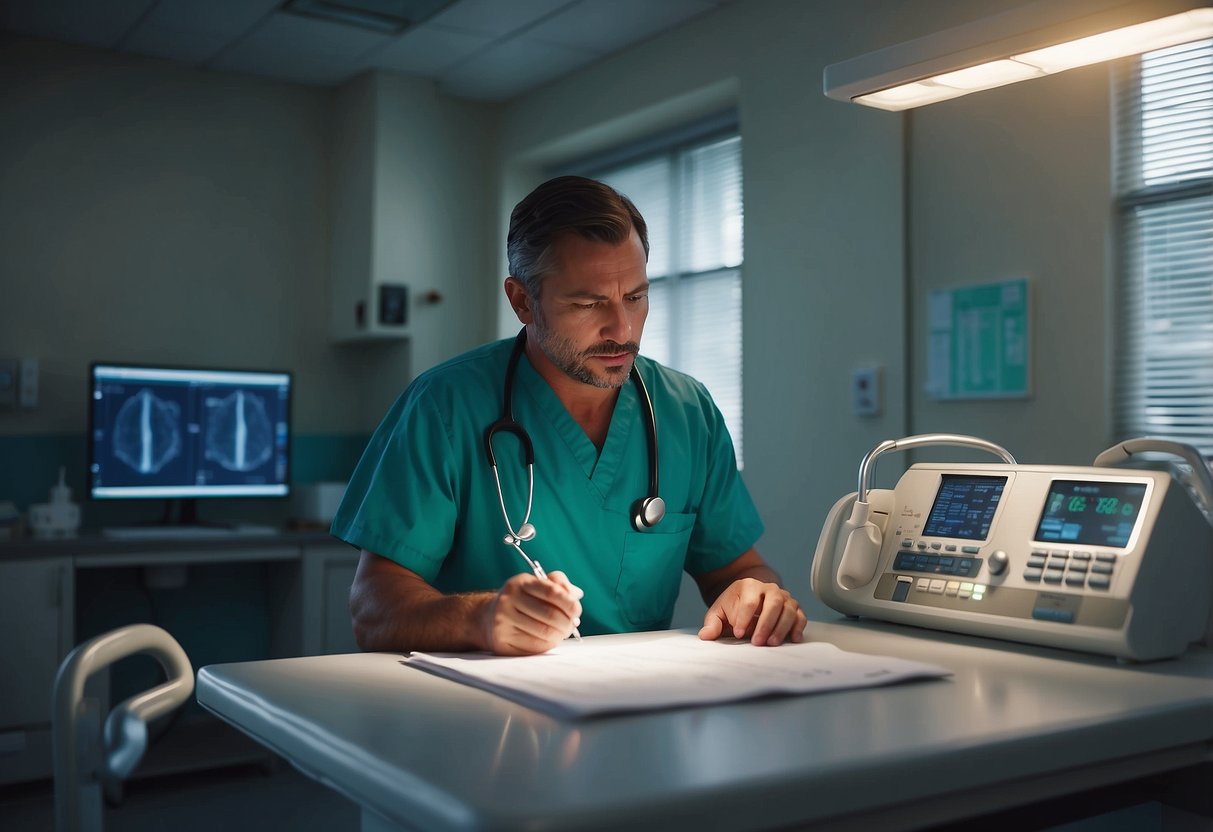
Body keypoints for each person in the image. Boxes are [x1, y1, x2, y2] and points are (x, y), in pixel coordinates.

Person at [331, 175, 806, 656]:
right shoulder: (444, 407)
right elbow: (374, 607)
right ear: (522, 301)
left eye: (636, 297)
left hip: (641, 705)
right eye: (587, 303)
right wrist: (480, 618)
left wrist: (756, 594)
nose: (621, 329)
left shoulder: (688, 412)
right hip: (483, 711)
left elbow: (737, 569)